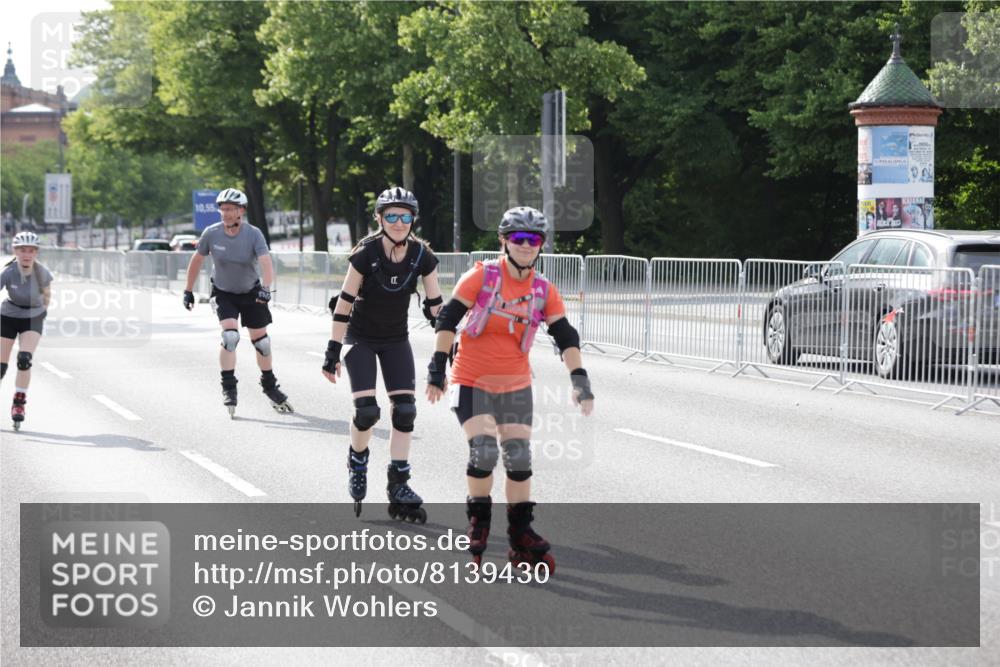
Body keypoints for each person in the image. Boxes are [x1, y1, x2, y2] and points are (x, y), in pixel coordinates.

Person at [426, 206, 594, 573]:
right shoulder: (481, 277)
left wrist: (580, 380)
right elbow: (448, 318)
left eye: (533, 239)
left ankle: (521, 535)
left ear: (541, 245)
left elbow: (564, 334)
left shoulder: (542, 289)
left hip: (516, 383)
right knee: (484, 451)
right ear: (503, 241)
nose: (525, 245)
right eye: (518, 238)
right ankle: (479, 523)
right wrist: (437, 366)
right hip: (470, 380)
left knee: (519, 459)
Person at [322, 187, 443, 521]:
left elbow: (435, 307)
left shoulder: (422, 256)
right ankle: (358, 461)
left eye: (405, 216)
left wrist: (447, 347)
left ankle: (398, 482)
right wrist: (332, 350)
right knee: (367, 413)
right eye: (392, 215)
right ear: (380, 218)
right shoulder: (365, 253)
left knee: (405, 411)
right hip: (359, 338)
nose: (399, 222)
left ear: (413, 219)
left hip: (395, 340)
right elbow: (343, 304)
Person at [182, 188, 292, 418]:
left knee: (262, 342)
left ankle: (270, 386)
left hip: (251, 291)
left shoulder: (254, 234)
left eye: (230, 209)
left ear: (241, 211)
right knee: (230, 336)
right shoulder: (211, 233)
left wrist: (265, 288)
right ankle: (229, 387)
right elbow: (197, 260)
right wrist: (188, 290)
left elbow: (265, 262)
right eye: (222, 209)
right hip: (224, 292)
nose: (226, 213)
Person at [1, 232, 52, 431]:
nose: (27, 255)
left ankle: (19, 402)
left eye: (31, 251)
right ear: (15, 251)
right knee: (0, 367)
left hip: (32, 317)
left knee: (24, 359)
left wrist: (41, 314)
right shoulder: (8, 271)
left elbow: (47, 295)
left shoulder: (42, 273)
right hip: (8, 316)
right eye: (22, 250)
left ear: (36, 253)